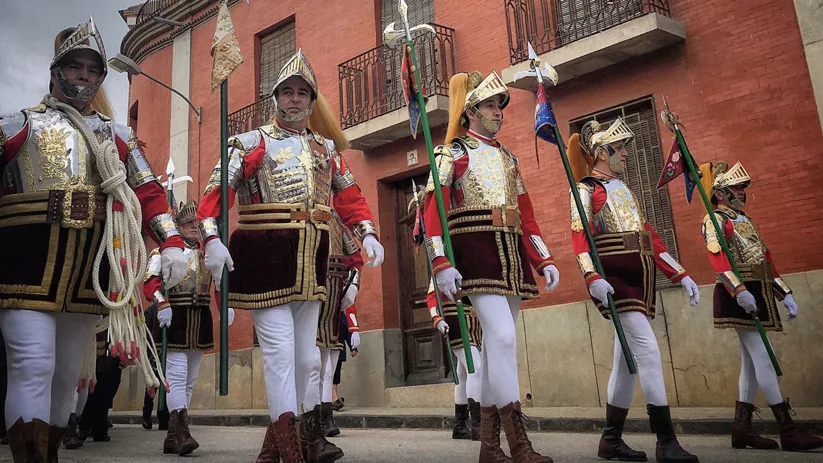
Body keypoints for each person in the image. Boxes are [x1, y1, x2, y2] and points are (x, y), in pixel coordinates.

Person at [0, 18, 187, 462]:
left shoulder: (117, 136)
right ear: (55, 70)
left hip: (88, 272)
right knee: (32, 363)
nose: (83, 75)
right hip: (26, 263)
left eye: (92, 69)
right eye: (75, 65)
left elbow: (148, 192)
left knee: (66, 374)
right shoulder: (17, 124)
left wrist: (172, 241)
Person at [196, 50, 383, 463]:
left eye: (302, 93)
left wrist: (367, 232)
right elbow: (215, 196)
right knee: (281, 356)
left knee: (307, 358)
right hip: (265, 256)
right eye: (287, 92)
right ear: (275, 98)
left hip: (312, 260)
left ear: (312, 101)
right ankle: (291, 450)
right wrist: (211, 239)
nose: (294, 99)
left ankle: (283, 447)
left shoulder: (325, 149)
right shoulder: (251, 143)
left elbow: (349, 196)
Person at [424, 71, 560, 463]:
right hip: (476, 253)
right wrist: (440, 261)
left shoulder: (509, 158)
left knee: (492, 349)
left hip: (511, 254)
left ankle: (489, 447)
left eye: (500, 105)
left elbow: (526, 216)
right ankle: (519, 444)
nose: (498, 111)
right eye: (489, 105)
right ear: (470, 111)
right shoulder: (450, 154)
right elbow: (433, 213)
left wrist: (543, 257)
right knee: (501, 338)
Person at [567, 120, 700, 462]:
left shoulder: (623, 189)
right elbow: (580, 238)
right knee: (648, 352)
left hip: (640, 281)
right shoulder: (585, 189)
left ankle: (610, 440)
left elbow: (649, 236)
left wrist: (679, 273)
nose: (626, 153)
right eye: (620, 148)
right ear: (601, 153)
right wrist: (591, 276)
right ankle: (666, 441)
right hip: (617, 281)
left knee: (625, 364)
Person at [698, 161, 823, 452]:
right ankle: (788, 430)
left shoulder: (745, 220)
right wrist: (738, 289)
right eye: (737, 188)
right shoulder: (714, 220)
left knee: (751, 362)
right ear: (720, 193)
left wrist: (784, 292)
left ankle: (741, 429)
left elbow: (765, 259)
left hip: (758, 289)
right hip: (738, 294)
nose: (742, 192)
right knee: (763, 356)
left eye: (743, 188)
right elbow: (718, 258)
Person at [144, 200, 232, 456]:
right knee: (177, 375)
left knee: (190, 379)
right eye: (187, 223)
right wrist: (162, 304)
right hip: (176, 316)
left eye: (196, 223)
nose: (194, 226)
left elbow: (219, 282)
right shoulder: (163, 251)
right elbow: (150, 281)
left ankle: (174, 435)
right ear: (178, 226)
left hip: (200, 317)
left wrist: (224, 305)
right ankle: (182, 432)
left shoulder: (208, 252)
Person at [303, 213, 363, 443]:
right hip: (308, 300)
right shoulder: (302, 217)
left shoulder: (337, 221)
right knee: (313, 366)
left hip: (334, 305)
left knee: (327, 369)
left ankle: (325, 418)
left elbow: (355, 261)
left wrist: (353, 288)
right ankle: (310, 421)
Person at [427, 285, 483, 440]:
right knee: (475, 368)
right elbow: (432, 294)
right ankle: (478, 425)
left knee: (463, 373)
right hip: (455, 316)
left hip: (475, 320)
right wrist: (436, 317)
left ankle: (460, 425)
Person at [141, 303, 171, 431]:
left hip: (165, 352)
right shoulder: (151, 310)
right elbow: (145, 332)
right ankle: (147, 416)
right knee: (153, 385)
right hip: (155, 352)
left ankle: (163, 417)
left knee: (163, 385)